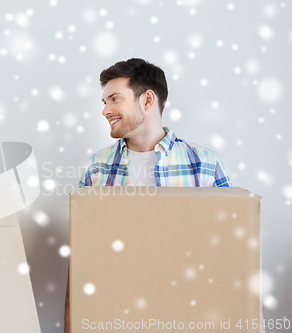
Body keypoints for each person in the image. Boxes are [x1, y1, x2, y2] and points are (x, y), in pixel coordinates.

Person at [64, 58, 265, 332]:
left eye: (114, 99)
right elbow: (82, 260)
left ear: (147, 100)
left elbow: (236, 256)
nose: (105, 110)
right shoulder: (97, 168)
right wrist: (71, 322)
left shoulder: (204, 165)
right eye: (104, 102)